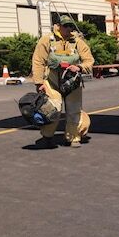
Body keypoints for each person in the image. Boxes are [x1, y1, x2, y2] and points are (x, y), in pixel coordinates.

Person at [31, 15, 94, 148]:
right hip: (53, 82)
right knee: (52, 109)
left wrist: (80, 67)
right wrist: (38, 82)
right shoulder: (47, 40)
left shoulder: (78, 42)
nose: (68, 28)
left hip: (73, 83)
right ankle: (47, 136)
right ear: (58, 26)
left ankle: (73, 137)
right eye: (65, 25)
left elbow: (89, 60)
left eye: (70, 26)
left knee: (74, 111)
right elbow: (38, 61)